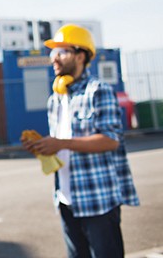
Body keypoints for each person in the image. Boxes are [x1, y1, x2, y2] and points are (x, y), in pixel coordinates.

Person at [22, 24, 139, 258]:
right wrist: (43, 148)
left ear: (81, 55)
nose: (54, 58)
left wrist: (61, 143)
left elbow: (110, 140)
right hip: (66, 199)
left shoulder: (99, 91)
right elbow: (61, 147)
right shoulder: (55, 99)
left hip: (98, 199)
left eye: (62, 51)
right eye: (53, 52)